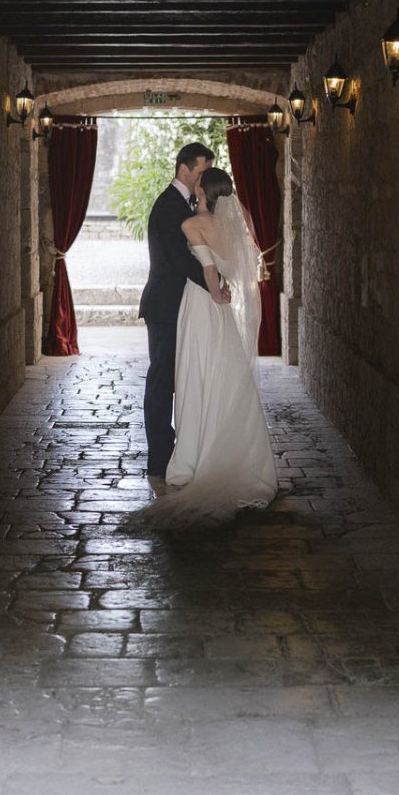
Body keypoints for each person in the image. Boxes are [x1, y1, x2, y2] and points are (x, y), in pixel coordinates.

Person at [132, 163, 279, 528]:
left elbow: (208, 271)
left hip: (200, 305)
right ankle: (234, 453)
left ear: (203, 191)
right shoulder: (232, 225)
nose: (195, 181)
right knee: (223, 375)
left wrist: (214, 291)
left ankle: (193, 458)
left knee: (195, 375)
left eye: (200, 180)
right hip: (222, 314)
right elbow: (227, 264)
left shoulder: (191, 224)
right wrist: (222, 293)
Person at [139, 142, 230, 484]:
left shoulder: (190, 205)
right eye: (201, 171)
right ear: (184, 169)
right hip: (166, 306)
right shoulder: (168, 206)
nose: (204, 178)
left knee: (184, 379)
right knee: (162, 381)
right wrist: (214, 286)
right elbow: (179, 260)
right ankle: (159, 459)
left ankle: (183, 449)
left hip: (185, 305)